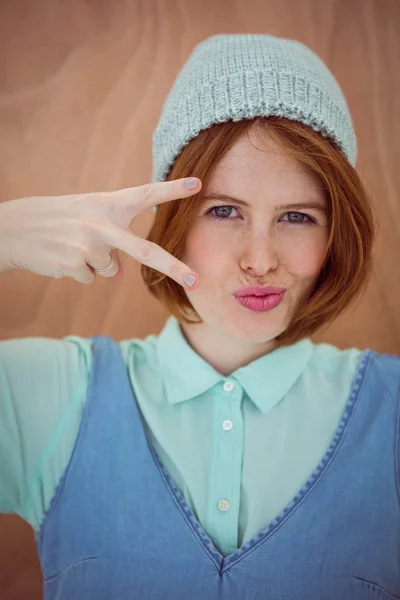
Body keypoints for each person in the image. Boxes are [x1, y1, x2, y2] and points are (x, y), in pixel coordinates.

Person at [0, 33, 398, 600]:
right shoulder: (53, 397)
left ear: (337, 235)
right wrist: (7, 232)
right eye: (224, 210)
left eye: (297, 217)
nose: (260, 261)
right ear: (175, 223)